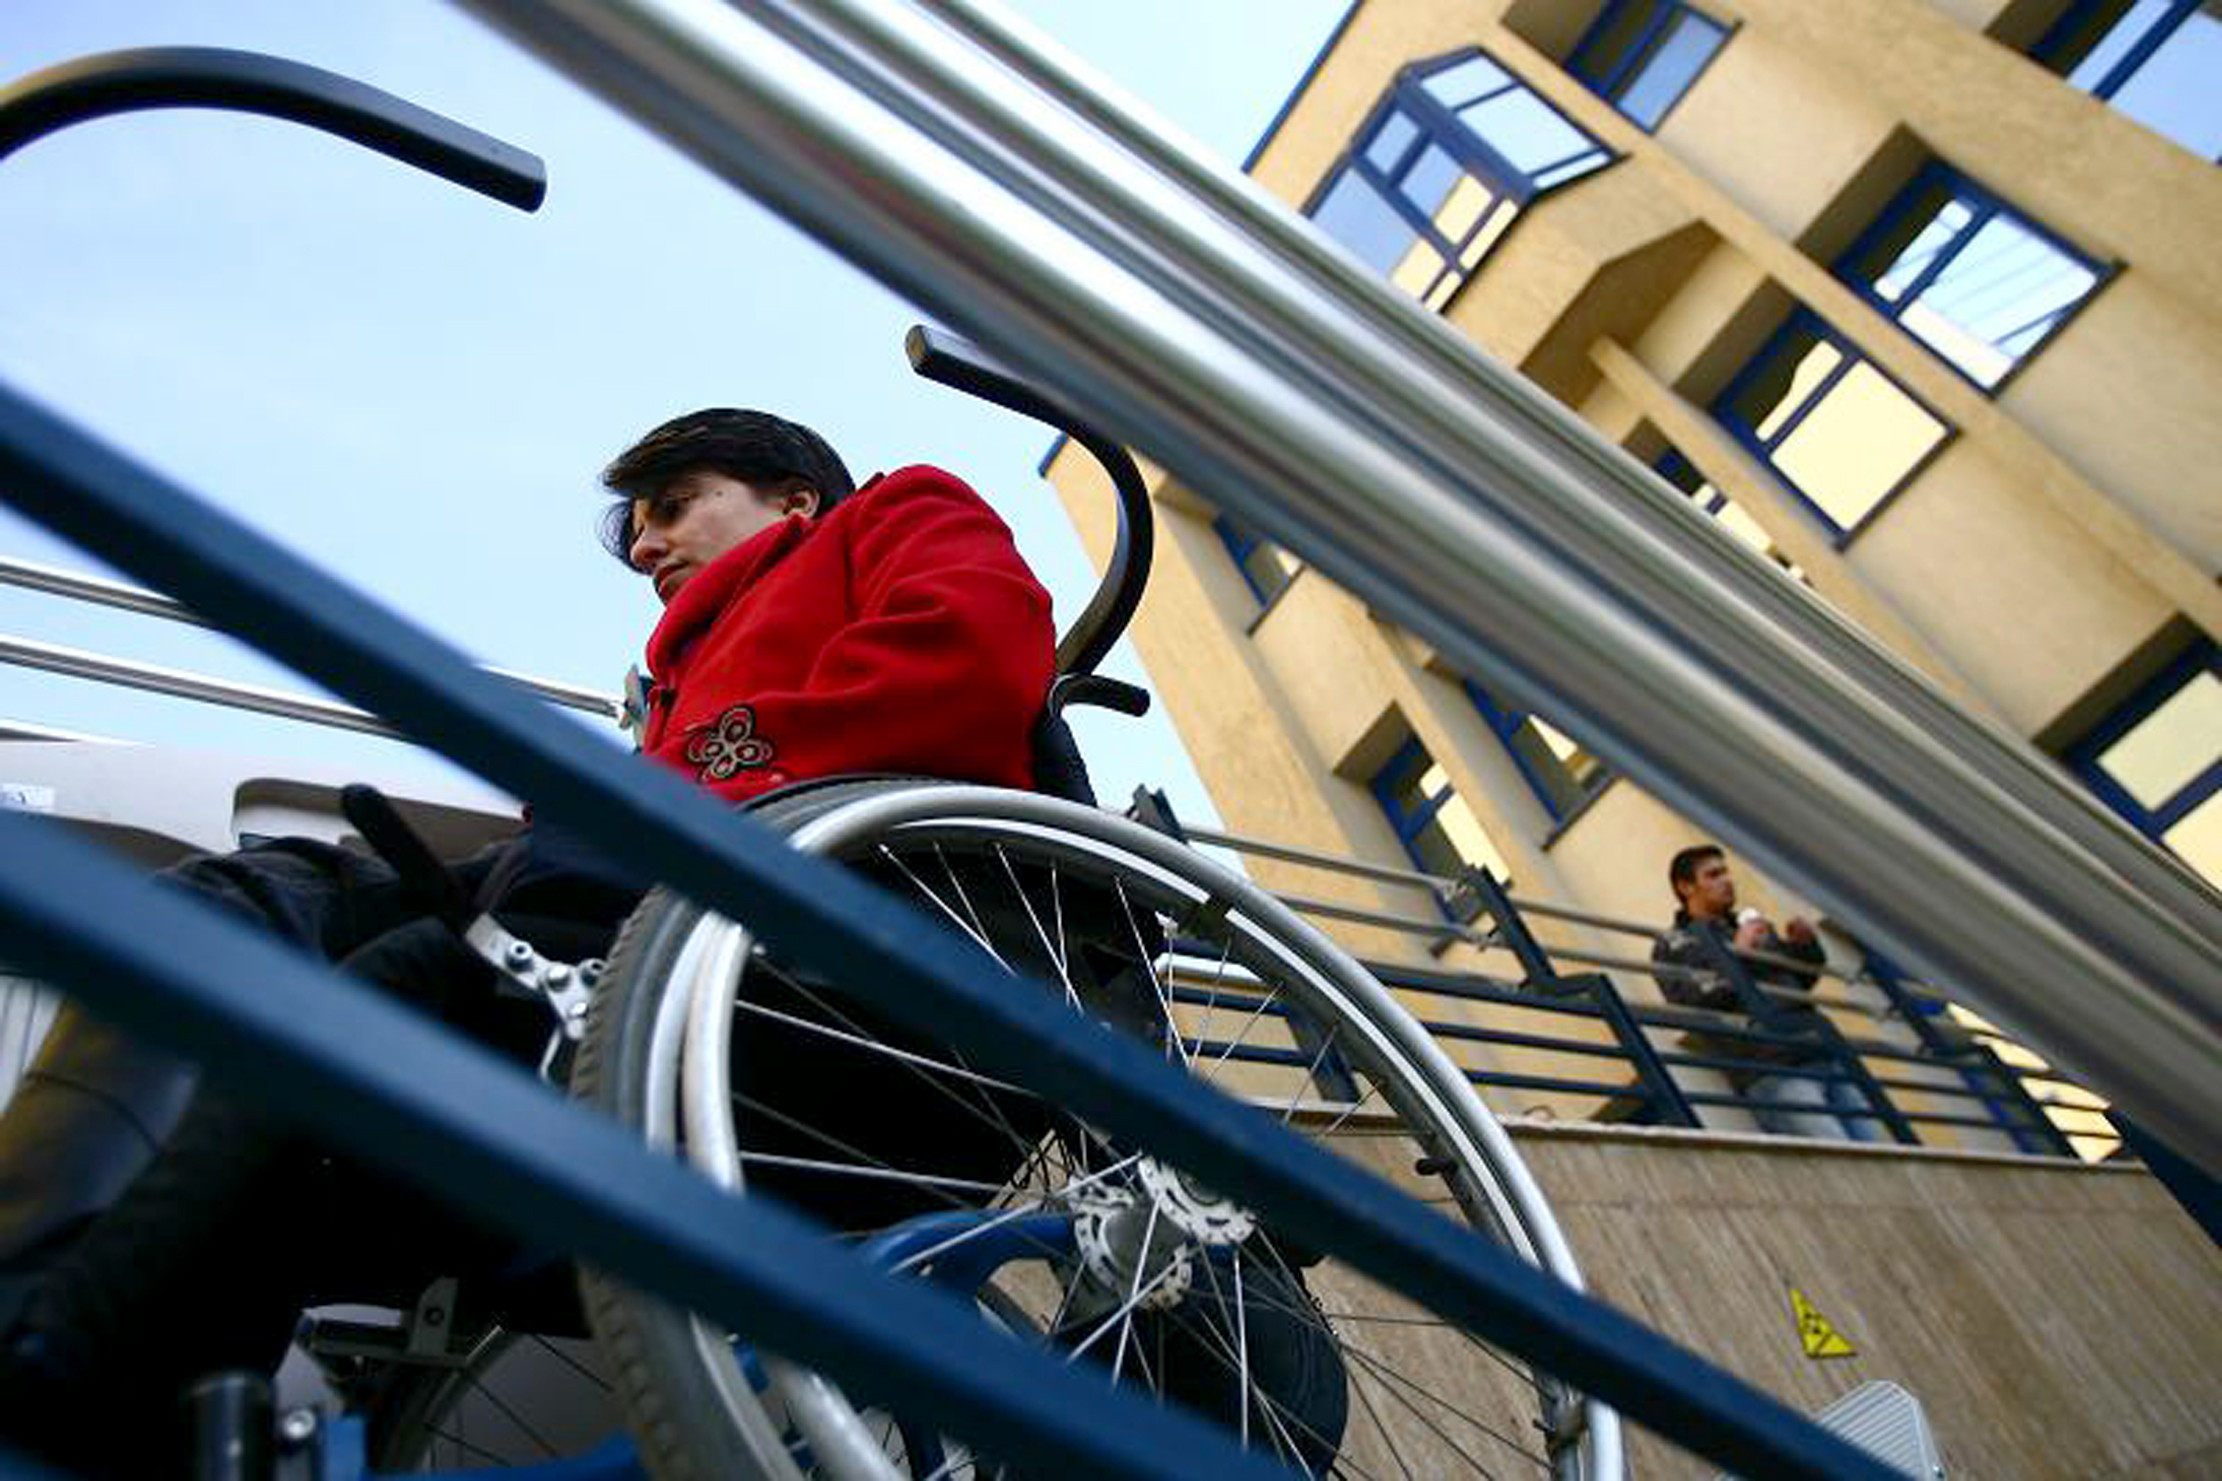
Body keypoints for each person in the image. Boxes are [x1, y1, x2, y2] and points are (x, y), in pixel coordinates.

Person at [0, 409, 1060, 1474]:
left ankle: (63, 1371)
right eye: (639, 529)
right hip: (624, 891)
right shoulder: (674, 676)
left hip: (789, 924)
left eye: (673, 507)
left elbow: (963, 659)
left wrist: (657, 794)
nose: (644, 547)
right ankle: (44, 1323)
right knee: (229, 904)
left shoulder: (892, 512)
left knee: (377, 1009)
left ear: (793, 497)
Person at [1650, 844, 1881, 1142]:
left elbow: (1797, 982)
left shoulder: (1750, 925)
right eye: (1714, 875)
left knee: (1879, 1152)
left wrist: (1804, 947)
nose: (1727, 880)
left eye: (1726, 872)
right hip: (1769, 1069)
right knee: (1841, 1158)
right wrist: (1738, 954)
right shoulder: (1672, 945)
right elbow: (1695, 1007)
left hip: (1820, 1050)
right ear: (1686, 887)